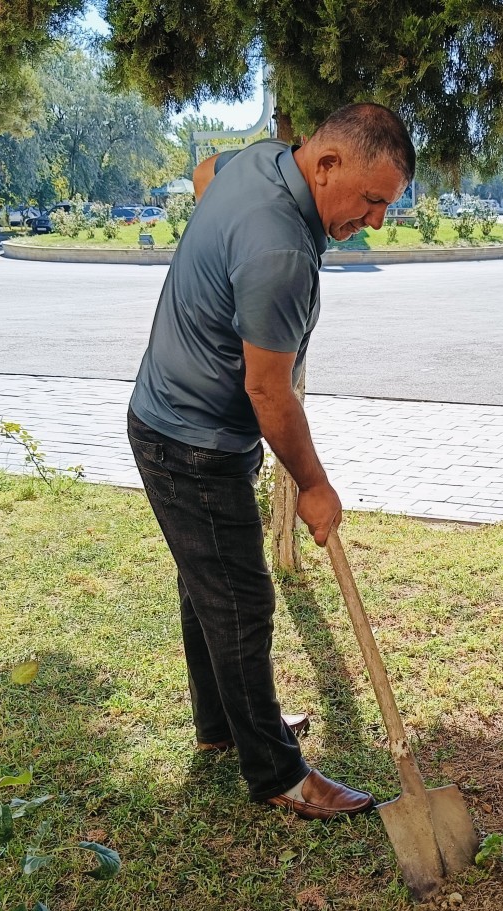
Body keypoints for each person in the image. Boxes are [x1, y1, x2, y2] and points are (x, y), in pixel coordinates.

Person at [127, 103, 413, 820]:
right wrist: (314, 485)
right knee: (241, 600)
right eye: (372, 200)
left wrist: (224, 244)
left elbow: (203, 175)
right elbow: (266, 388)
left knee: (208, 587)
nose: (374, 222)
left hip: (163, 417)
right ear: (325, 165)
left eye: (387, 206)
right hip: (193, 442)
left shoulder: (257, 161)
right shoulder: (282, 251)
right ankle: (276, 772)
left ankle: (223, 726)